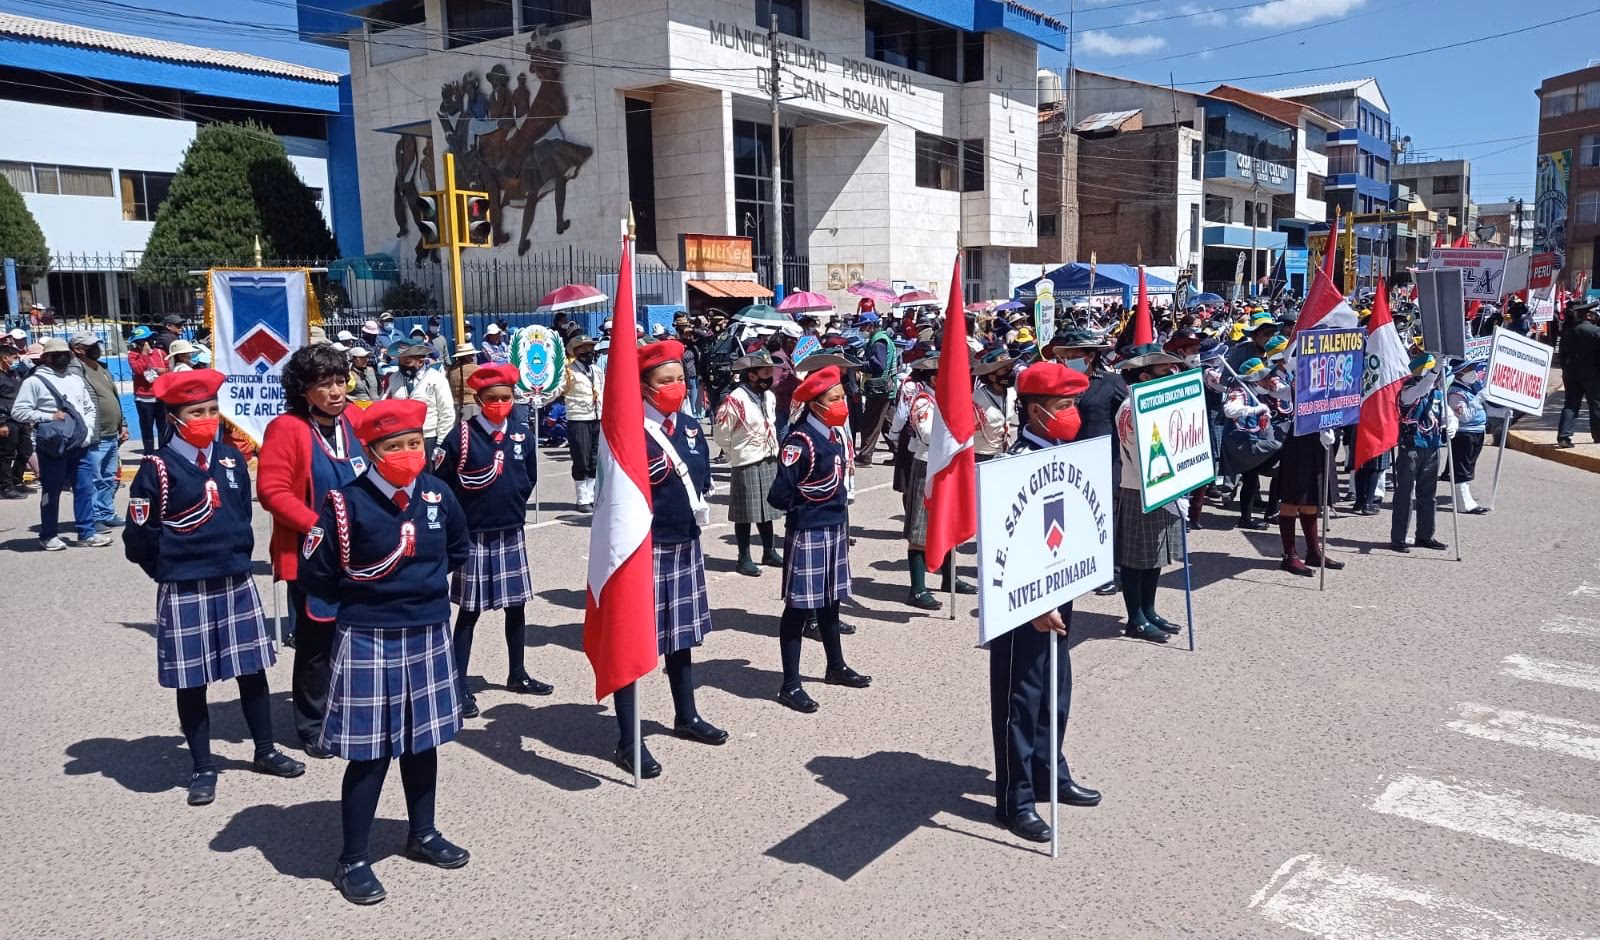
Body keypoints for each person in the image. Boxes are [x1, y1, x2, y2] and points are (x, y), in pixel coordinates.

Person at [299, 398, 471, 905]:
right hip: (369, 635)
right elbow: (317, 573)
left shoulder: (438, 494)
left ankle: (423, 833)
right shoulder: (344, 504)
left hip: (427, 632)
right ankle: (352, 858)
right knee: (369, 753)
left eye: (415, 443)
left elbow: (456, 550)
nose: (408, 453)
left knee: (423, 743)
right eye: (395, 446)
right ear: (372, 451)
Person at [123, 369, 305, 806]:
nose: (206, 419)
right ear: (174, 419)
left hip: (234, 579)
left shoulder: (229, 458)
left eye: (211, 410)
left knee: (252, 670)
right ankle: (203, 766)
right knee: (192, 681)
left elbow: (241, 513)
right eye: (196, 413)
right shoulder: (157, 468)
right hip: (184, 586)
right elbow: (139, 538)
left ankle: (265, 750)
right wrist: (168, 570)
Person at [991, 361, 1102, 844]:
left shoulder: (1065, 453)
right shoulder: (1015, 462)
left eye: (1075, 403)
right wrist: (1035, 605)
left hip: (1060, 592)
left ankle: (1049, 773)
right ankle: (1014, 800)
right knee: (1021, 700)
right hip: (1024, 606)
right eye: (1064, 405)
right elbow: (1007, 546)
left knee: (1055, 692)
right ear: (1036, 412)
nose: (1073, 412)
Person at [612, 339, 728, 779]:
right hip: (645, 549)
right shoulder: (630, 431)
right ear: (644, 386)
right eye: (665, 380)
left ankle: (686, 715)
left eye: (680, 378)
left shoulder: (691, 427)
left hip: (684, 544)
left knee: (681, 639)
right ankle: (628, 739)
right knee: (633, 646)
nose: (676, 386)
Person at [257, 344, 370, 757]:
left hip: (362, 550)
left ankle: (354, 710)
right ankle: (312, 724)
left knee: (358, 635)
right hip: (314, 553)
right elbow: (272, 490)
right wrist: (318, 527)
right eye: (325, 384)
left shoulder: (356, 419)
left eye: (340, 381)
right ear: (303, 389)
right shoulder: (287, 428)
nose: (336, 391)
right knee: (316, 643)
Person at [436, 364, 548, 719]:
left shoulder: (521, 434)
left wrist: (512, 504)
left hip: (510, 531)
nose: (500, 404)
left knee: (517, 607)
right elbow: (442, 485)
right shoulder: (461, 437)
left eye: (506, 397)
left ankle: (517, 673)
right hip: (474, 535)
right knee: (469, 611)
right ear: (480, 399)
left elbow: (529, 476)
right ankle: (458, 683)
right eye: (492, 398)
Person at [768, 365, 870, 714]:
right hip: (809, 530)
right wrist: (805, 506)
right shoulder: (800, 441)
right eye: (835, 399)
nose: (842, 404)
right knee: (798, 609)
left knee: (831, 601)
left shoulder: (833, 433)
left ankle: (835, 666)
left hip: (833, 526)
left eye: (842, 397)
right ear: (815, 404)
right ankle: (790, 685)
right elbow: (779, 494)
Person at [1112, 344, 1188, 644]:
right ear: (1144, 377)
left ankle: (1149, 609)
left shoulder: (1158, 403)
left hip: (1164, 485)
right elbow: (1142, 453)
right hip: (1141, 487)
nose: (1171, 374)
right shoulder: (1131, 408)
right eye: (1163, 371)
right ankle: (1136, 618)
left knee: (1155, 555)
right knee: (1136, 558)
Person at [890, 351, 972, 609]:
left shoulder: (943, 400)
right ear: (934, 378)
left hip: (946, 464)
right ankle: (917, 589)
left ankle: (949, 577)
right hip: (927, 465)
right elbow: (927, 435)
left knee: (948, 522)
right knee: (921, 528)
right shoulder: (923, 402)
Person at [12, 338, 106, 550]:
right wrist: (48, 416)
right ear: (46, 357)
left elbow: (89, 407)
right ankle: (48, 535)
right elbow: (19, 411)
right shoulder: (34, 382)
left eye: (65, 354)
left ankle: (86, 532)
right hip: (53, 446)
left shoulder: (76, 379)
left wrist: (88, 432)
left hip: (79, 444)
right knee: (51, 491)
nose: (61, 357)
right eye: (56, 354)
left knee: (84, 488)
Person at [1050, 330, 1123, 594]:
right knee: (1078, 515)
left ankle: (1112, 571)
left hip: (1106, 460)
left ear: (1090, 356)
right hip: (1070, 461)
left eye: (1074, 354)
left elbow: (1130, 415)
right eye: (1066, 355)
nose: (1069, 359)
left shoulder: (1112, 383)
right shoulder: (1061, 385)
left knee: (1107, 516)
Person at [713, 350, 785, 576]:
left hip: (768, 455)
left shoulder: (769, 396)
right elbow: (721, 434)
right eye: (765, 372)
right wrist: (735, 451)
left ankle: (769, 551)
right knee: (745, 511)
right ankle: (743, 557)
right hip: (747, 459)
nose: (770, 376)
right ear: (752, 375)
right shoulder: (735, 400)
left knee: (767, 508)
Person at [1390, 354, 1454, 553]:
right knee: (1404, 494)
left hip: (1432, 447)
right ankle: (1398, 538)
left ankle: (1425, 536)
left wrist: (1452, 423)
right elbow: (1421, 389)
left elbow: (1446, 414)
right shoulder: (1408, 391)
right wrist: (1435, 371)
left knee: (1428, 495)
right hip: (1411, 448)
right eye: (1431, 370)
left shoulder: (1437, 393)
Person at [68, 332, 128, 533]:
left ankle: (106, 513)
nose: (97, 348)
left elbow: (113, 396)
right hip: (94, 434)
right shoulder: (75, 371)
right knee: (93, 479)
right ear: (78, 349)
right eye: (91, 345)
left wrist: (123, 423)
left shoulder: (102, 368)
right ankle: (92, 518)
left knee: (109, 477)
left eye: (96, 344)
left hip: (111, 433)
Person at [386, 343, 456, 459]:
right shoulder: (394, 378)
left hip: (429, 438)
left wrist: (441, 442)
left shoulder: (436, 379)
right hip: (403, 438)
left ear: (420, 360)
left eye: (407, 363)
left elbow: (446, 412)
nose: (403, 367)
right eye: (400, 362)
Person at [563, 335, 602, 512]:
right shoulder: (568, 371)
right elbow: (558, 389)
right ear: (576, 352)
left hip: (597, 416)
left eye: (590, 348)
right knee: (581, 458)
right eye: (584, 348)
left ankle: (591, 495)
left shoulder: (597, 370)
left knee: (595, 459)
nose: (589, 352)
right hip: (578, 418)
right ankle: (581, 498)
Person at [1447, 359, 1492, 514]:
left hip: (1477, 431)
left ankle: (1466, 500)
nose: (1473, 371)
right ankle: (1464, 503)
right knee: (1462, 468)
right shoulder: (1456, 392)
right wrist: (1478, 399)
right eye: (1469, 368)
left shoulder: (1471, 388)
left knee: (1469, 467)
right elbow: (1464, 417)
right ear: (1460, 372)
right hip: (1464, 433)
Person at [1556, 300, 1600, 448]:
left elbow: (1562, 355)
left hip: (1571, 374)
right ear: (1587, 316)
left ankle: (1564, 437)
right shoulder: (1595, 332)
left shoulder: (1568, 332)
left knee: (1570, 405)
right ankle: (1598, 435)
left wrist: (1566, 370)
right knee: (1596, 405)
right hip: (1592, 374)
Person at [128, 326, 168, 454]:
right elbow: (139, 370)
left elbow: (169, 369)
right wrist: (144, 354)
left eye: (148, 339)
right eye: (143, 340)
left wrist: (164, 371)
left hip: (160, 395)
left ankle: (164, 452)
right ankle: (149, 453)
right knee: (147, 427)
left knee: (163, 426)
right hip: (144, 397)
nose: (147, 342)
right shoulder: (133, 355)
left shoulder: (160, 353)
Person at [0, 342, 33, 499]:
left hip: (20, 419)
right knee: (6, 455)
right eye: (14, 358)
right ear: (4, 358)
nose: (17, 360)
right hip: (6, 420)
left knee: (26, 450)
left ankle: (17, 481)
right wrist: (1, 422)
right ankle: (5, 487)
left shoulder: (14, 374)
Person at [972, 357, 1014, 461]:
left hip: (1005, 452)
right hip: (981, 456)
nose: (1011, 372)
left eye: (1011, 367)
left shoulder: (1012, 393)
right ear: (992, 377)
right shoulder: (974, 400)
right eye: (1005, 369)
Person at [444, 344, 480, 422]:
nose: (473, 357)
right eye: (472, 355)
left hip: (455, 405)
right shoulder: (476, 369)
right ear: (466, 356)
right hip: (472, 404)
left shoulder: (451, 370)